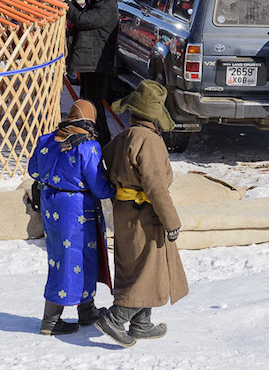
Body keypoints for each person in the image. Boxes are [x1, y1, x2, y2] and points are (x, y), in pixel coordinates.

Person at [97, 81, 187, 347]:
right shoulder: (148, 140)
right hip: (145, 215)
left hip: (125, 212)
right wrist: (171, 221)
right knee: (147, 267)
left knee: (137, 266)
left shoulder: (122, 138)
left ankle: (141, 323)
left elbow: (107, 166)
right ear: (155, 117)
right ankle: (116, 318)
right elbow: (155, 186)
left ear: (133, 112)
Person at [27, 97, 115, 336]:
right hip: (76, 210)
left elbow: (33, 170)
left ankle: (86, 310)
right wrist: (117, 190)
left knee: (63, 257)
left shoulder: (48, 140)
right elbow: (99, 187)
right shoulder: (87, 146)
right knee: (73, 260)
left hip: (51, 205)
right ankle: (51, 321)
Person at [65, 0, 118, 145]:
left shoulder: (106, 6)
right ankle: (93, 136)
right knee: (88, 100)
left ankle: (103, 140)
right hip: (91, 61)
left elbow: (83, 20)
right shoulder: (98, 2)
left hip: (98, 63)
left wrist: (67, 5)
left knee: (93, 103)